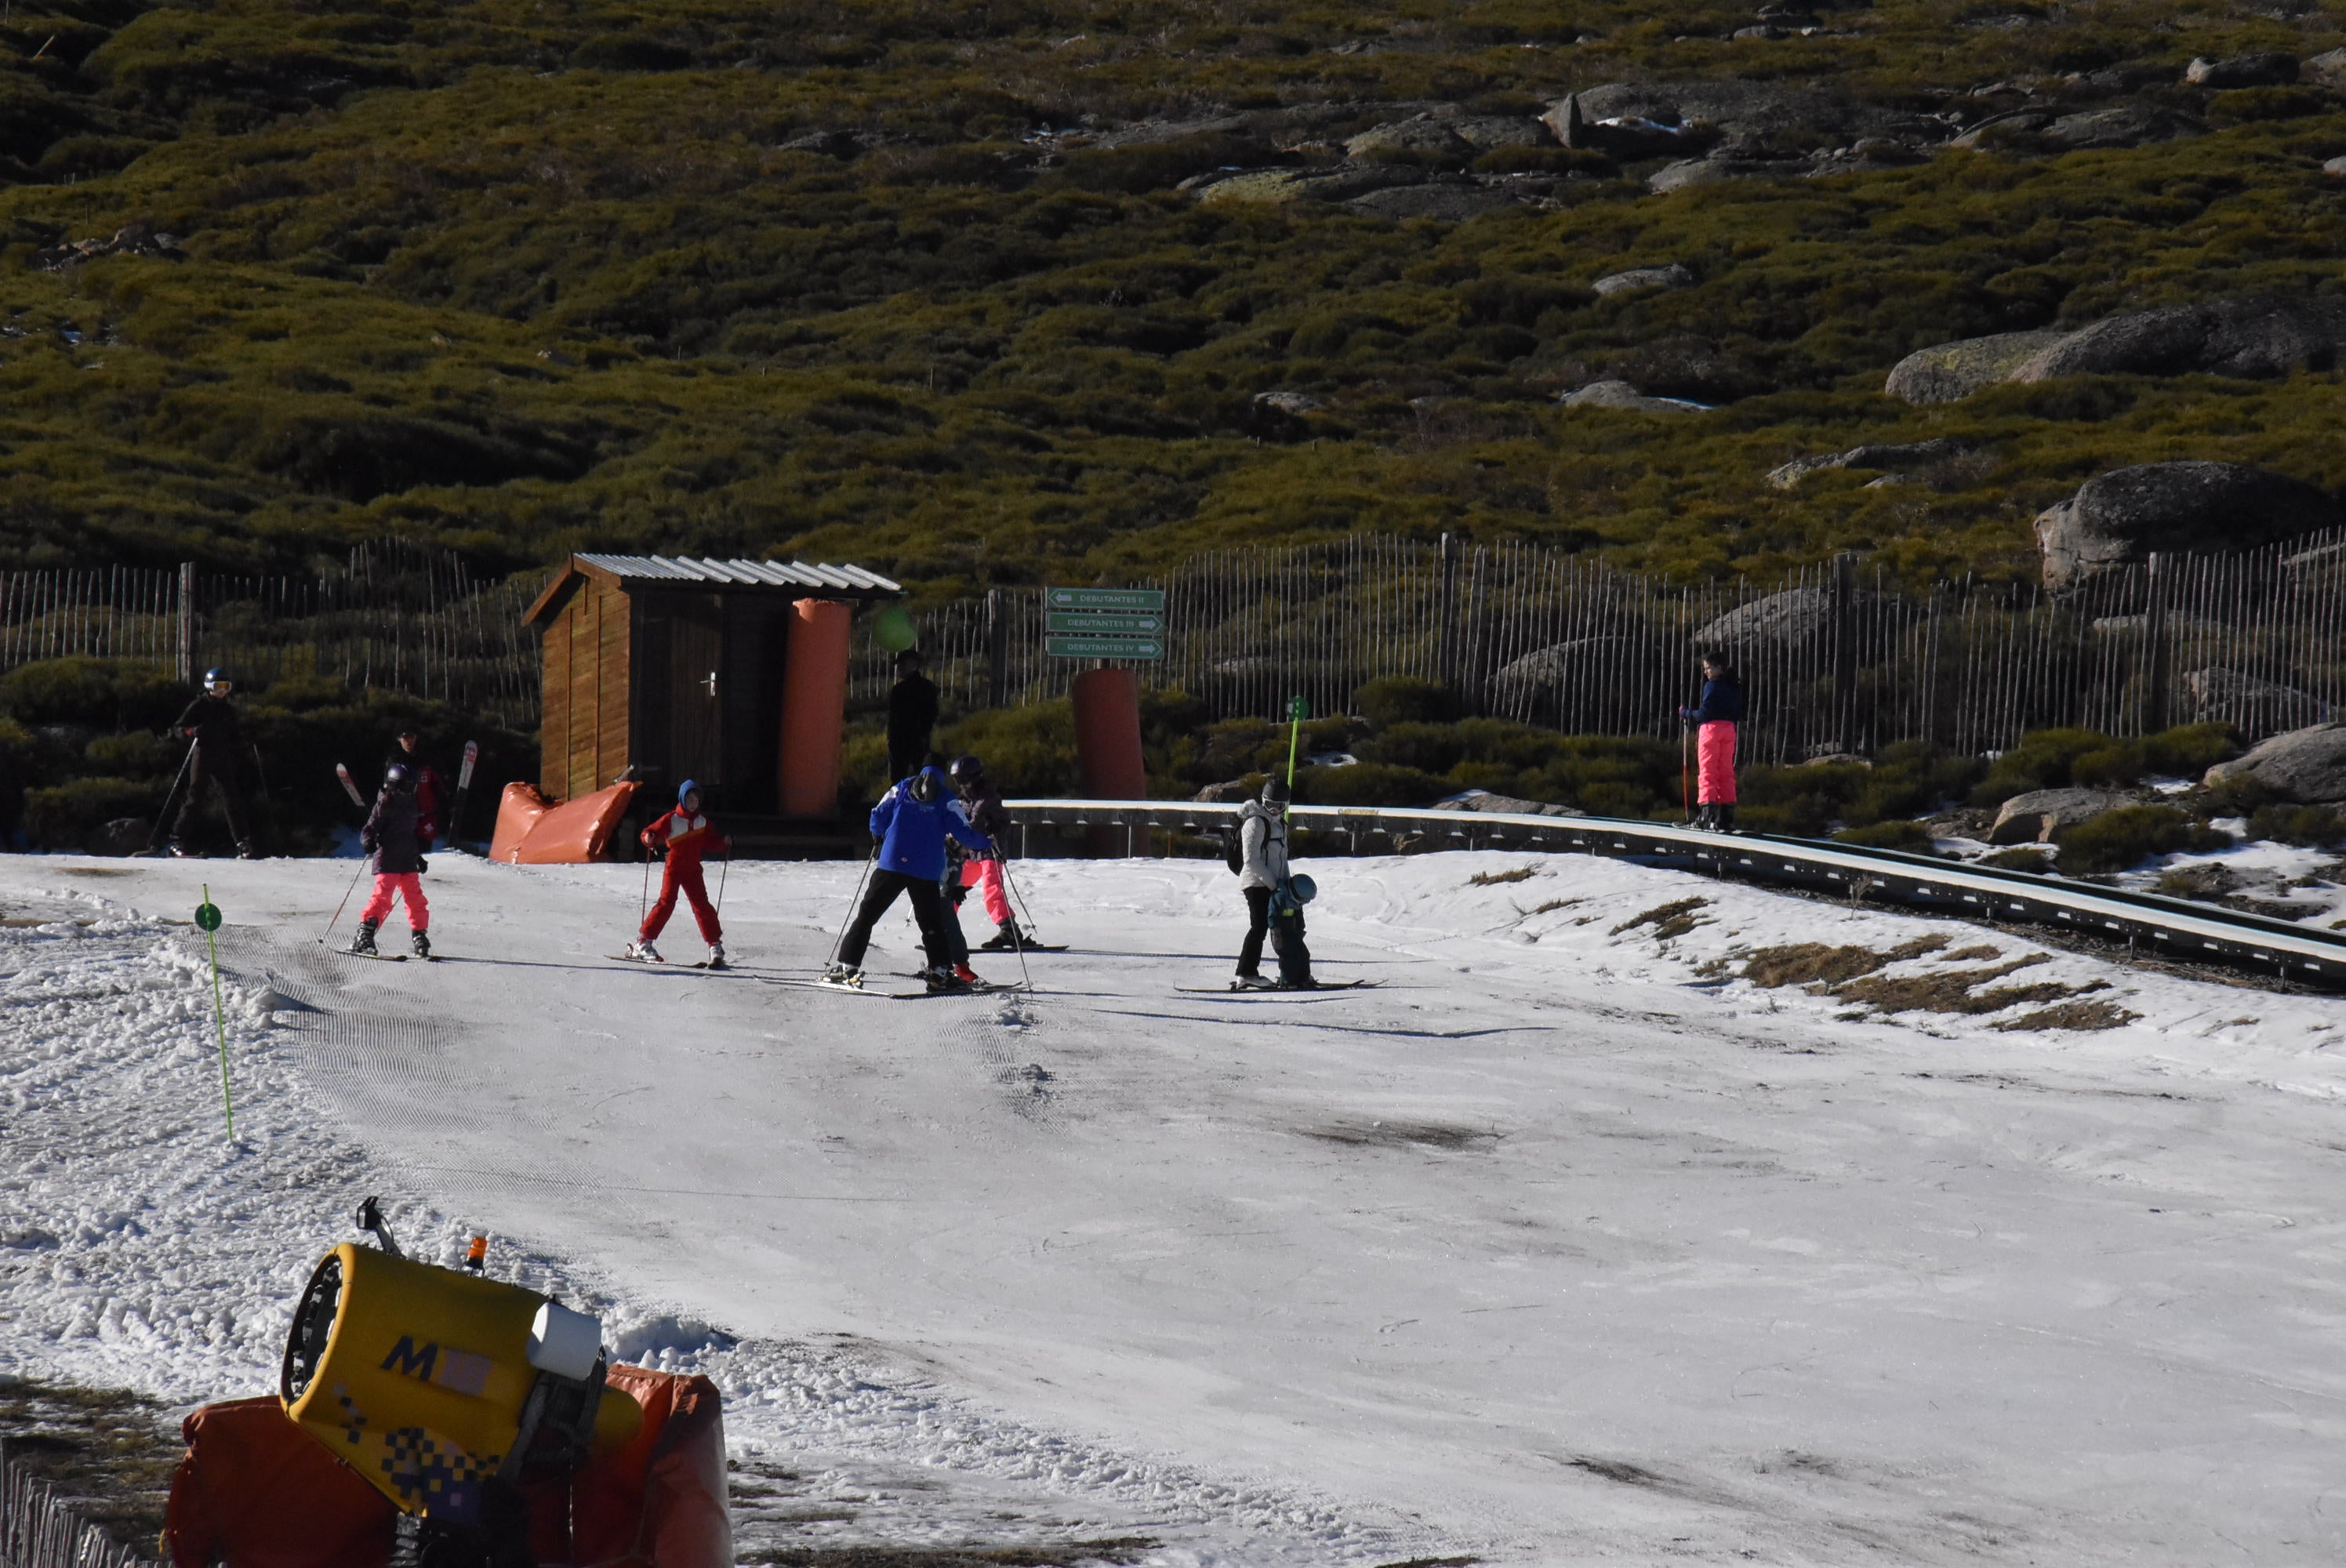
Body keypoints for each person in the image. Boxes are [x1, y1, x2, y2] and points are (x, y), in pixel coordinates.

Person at [829, 764, 992, 993]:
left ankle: (848, 966)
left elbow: (878, 814)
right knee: (931, 923)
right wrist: (987, 842)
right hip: (925, 869)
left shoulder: (902, 787)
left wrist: (877, 833)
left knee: (868, 915)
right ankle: (940, 974)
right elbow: (963, 832)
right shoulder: (946, 798)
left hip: (893, 862)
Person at [628, 780, 731, 967]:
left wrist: (724, 843)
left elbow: (710, 841)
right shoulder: (672, 819)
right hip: (674, 869)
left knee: (702, 906)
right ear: (683, 799)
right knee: (666, 904)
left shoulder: (702, 822)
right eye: (690, 799)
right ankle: (643, 943)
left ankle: (715, 946)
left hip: (693, 870)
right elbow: (650, 832)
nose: (694, 803)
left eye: (697, 800)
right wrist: (648, 838)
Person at [169, 666, 259, 859]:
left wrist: (246, 738)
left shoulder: (227, 708)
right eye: (218, 686)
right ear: (209, 686)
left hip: (222, 756)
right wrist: (192, 732)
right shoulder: (199, 704)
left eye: (226, 686)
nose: (222, 691)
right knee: (195, 797)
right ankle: (177, 841)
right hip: (202, 754)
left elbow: (235, 733)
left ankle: (243, 843)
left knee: (231, 797)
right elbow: (178, 728)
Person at [1235, 778, 1314, 989]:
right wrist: (1274, 885)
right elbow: (1251, 860)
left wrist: (1288, 887)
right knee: (1260, 926)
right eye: (1270, 805)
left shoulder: (1280, 824)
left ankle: (1293, 973)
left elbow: (1282, 859)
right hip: (1256, 883)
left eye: (1280, 807)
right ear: (1263, 801)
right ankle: (1246, 973)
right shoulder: (1255, 823)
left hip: (1277, 884)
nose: (1275, 810)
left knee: (1292, 925)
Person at [948, 754, 1026, 954]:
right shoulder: (963, 800)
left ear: (973, 776)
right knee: (953, 886)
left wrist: (992, 829)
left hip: (990, 850)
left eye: (963, 779)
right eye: (957, 780)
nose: (961, 785)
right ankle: (945, 928)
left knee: (992, 891)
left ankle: (1010, 931)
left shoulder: (988, 797)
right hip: (971, 852)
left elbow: (989, 823)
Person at [350, 764, 430, 957]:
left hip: (407, 859)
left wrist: (417, 856)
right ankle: (365, 933)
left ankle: (419, 934)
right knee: (383, 896)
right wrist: (368, 841)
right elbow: (369, 828)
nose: (411, 791)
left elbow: (409, 835)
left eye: (413, 787)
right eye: (407, 787)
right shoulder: (384, 805)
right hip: (387, 859)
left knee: (415, 898)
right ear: (396, 786)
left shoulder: (412, 805)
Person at [1677, 652, 1746, 832]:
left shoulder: (1711, 686)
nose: (1706, 672)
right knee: (1726, 772)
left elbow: (1704, 714)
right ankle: (1726, 819)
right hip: (1729, 730)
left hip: (1711, 730)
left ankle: (1705, 818)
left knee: (1708, 771)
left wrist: (1686, 713)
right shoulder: (1734, 685)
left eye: (1708, 668)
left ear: (1719, 668)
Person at [382, 728, 445, 851]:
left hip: (425, 813)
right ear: (399, 739)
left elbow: (438, 783)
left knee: (424, 848)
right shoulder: (394, 759)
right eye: (406, 737)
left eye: (412, 737)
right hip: (403, 813)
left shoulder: (427, 758)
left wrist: (442, 803)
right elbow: (388, 787)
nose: (409, 741)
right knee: (402, 848)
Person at [885, 650, 939, 786]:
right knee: (917, 779)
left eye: (903, 664)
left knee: (899, 780)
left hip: (905, 741)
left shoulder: (902, 690)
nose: (899, 669)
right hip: (914, 740)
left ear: (914, 665)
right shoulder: (927, 688)